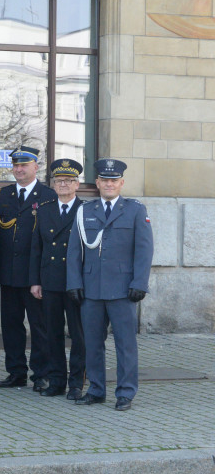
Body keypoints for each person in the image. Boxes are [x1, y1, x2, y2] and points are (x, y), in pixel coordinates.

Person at [67, 159, 153, 412]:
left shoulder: (135, 210)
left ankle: (125, 393)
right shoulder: (85, 211)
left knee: (125, 344)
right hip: (91, 289)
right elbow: (74, 250)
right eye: (104, 180)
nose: (109, 184)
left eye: (113, 180)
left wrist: (140, 283)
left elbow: (144, 250)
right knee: (92, 343)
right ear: (97, 183)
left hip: (123, 289)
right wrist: (74, 283)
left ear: (121, 183)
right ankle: (96, 389)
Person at [0, 145, 55, 391]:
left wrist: (40, 276)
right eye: (16, 165)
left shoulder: (48, 195)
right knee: (10, 326)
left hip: (35, 275)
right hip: (9, 273)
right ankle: (15, 371)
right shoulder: (3, 195)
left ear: (35, 167)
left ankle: (41, 373)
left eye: (24, 165)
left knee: (40, 327)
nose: (19, 169)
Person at [30, 159, 85, 400]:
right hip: (50, 281)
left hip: (75, 283)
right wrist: (35, 281)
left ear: (78, 184)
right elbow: (36, 248)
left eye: (68, 180)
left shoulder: (85, 210)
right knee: (52, 334)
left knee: (78, 335)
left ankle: (76, 383)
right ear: (52, 184)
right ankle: (56, 380)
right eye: (59, 180)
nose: (63, 184)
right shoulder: (44, 209)